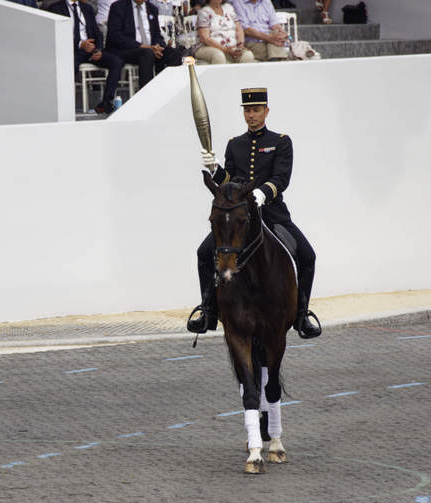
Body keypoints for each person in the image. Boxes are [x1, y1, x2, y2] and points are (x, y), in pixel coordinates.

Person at [187, 88, 321, 339]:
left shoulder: (281, 142)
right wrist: (215, 169)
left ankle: (301, 315)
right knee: (204, 253)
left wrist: (263, 193)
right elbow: (229, 183)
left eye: (256, 110)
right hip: (241, 219)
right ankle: (208, 311)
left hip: (272, 214)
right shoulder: (234, 144)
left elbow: (281, 178)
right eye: (248, 110)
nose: (251, 115)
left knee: (307, 256)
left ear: (266, 111)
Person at [48, 0, 123, 114]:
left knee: (116, 61)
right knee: (70, 65)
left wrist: (98, 49)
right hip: (71, 50)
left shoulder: (87, 8)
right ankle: (64, 105)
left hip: (91, 49)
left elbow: (97, 33)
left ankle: (106, 102)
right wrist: (80, 44)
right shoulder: (56, 8)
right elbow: (57, 34)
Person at [106, 0, 183, 87]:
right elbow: (115, 35)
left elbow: (157, 35)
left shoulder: (152, 8)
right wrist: (142, 46)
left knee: (174, 53)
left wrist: (158, 46)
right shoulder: (118, 7)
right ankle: (146, 92)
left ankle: (167, 88)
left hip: (151, 49)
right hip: (126, 49)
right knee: (147, 53)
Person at [194, 0, 255, 64]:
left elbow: (239, 28)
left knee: (247, 55)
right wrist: (225, 50)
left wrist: (240, 45)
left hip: (232, 46)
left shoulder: (229, 8)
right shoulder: (204, 12)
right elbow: (205, 38)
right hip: (208, 47)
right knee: (219, 56)